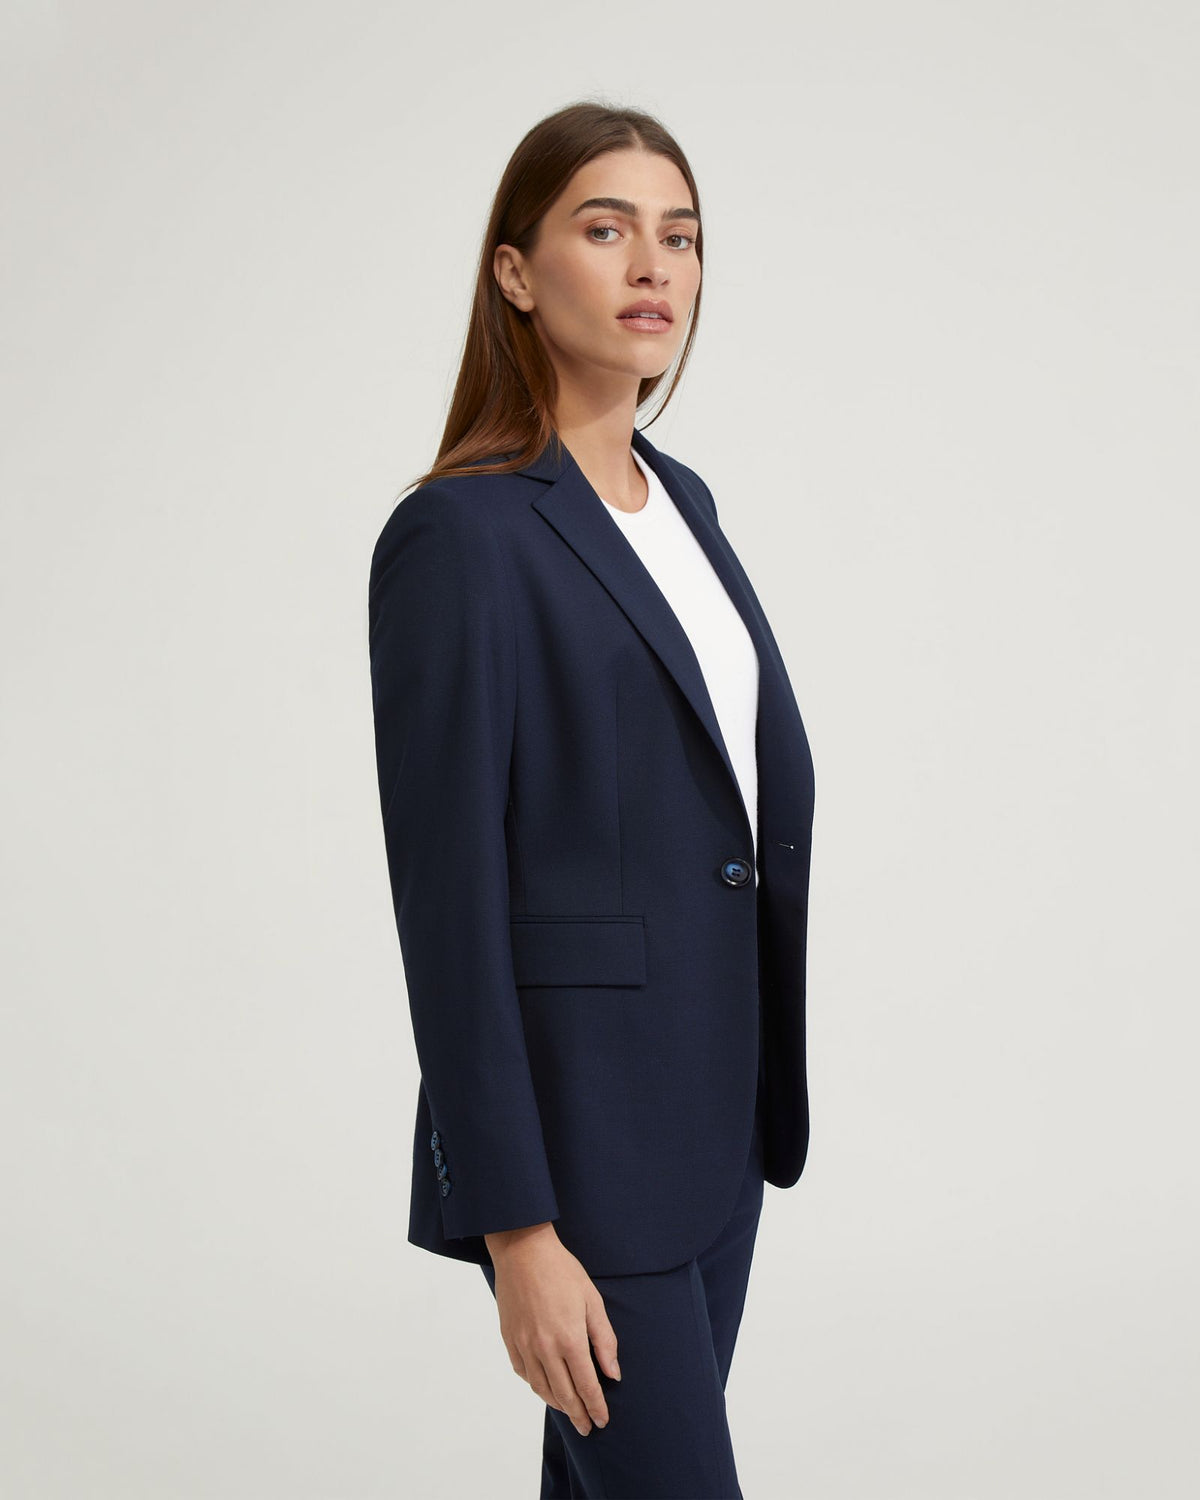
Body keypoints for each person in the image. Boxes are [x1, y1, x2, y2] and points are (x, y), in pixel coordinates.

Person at [367, 99, 816, 1500]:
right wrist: (515, 1227)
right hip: (583, 1158)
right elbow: (448, 904)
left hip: (717, 1129)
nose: (654, 266)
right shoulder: (461, 534)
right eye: (606, 228)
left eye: (680, 236)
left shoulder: (688, 508)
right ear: (515, 271)